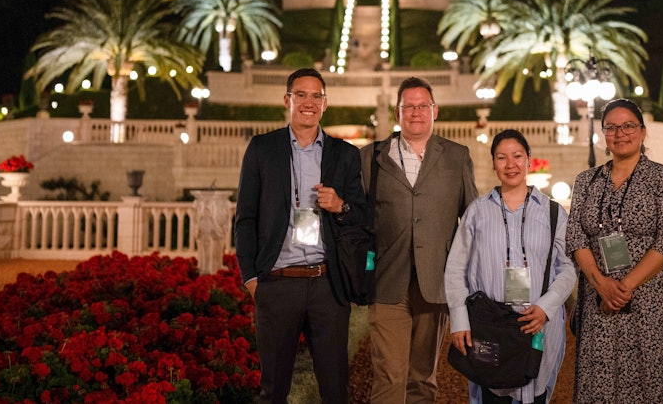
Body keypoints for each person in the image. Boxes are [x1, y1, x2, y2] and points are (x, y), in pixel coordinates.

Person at [234, 67, 370, 404]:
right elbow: (245, 218)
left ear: (326, 104)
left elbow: (363, 218)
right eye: (301, 94)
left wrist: (341, 206)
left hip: (327, 285)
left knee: (335, 388)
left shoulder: (345, 154)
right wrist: (251, 278)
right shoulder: (262, 149)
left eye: (316, 96)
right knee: (273, 390)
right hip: (277, 284)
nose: (308, 102)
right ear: (288, 100)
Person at [566, 98, 663, 403]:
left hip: (649, 301)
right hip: (599, 303)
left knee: (647, 379)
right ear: (603, 135)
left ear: (643, 132)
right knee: (600, 382)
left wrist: (622, 289)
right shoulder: (586, 181)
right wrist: (602, 286)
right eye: (611, 127)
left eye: (628, 126)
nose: (620, 133)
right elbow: (575, 237)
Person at [361, 76, 479, 403]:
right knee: (389, 373)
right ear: (397, 112)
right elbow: (357, 220)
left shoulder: (457, 157)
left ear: (435, 111)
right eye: (408, 106)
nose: (415, 112)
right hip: (387, 281)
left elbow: (472, 222)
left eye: (422, 106)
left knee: (423, 377)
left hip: (436, 282)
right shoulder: (370, 158)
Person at [446, 129, 576, 404]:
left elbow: (567, 267)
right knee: (492, 395)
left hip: (538, 325)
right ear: (494, 164)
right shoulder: (477, 212)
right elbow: (456, 269)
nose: (510, 164)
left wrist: (547, 306)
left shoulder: (553, 213)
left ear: (529, 160)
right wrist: (459, 320)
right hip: (492, 327)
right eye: (502, 157)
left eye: (517, 156)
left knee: (536, 394)